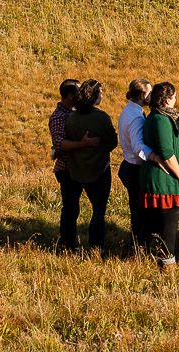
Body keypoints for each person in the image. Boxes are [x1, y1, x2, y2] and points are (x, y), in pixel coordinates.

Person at [63, 79, 118, 255]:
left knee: (72, 209)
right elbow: (112, 142)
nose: (102, 95)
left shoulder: (71, 118)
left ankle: (68, 246)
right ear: (94, 96)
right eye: (100, 93)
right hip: (99, 170)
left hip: (76, 170)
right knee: (98, 212)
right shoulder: (101, 118)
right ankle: (96, 248)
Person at [48, 79, 101, 253]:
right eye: (78, 92)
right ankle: (67, 247)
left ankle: (92, 246)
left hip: (84, 168)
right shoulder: (58, 116)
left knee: (95, 207)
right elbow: (60, 144)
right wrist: (83, 143)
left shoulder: (78, 112)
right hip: (67, 169)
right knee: (71, 210)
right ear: (70, 96)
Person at [141, 81, 179, 269]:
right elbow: (167, 153)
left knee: (157, 224)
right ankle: (167, 264)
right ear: (168, 99)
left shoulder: (166, 117)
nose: (176, 99)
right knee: (167, 225)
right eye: (174, 96)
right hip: (164, 180)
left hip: (166, 178)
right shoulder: (160, 119)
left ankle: (146, 257)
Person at [117, 78, 154, 249]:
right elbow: (138, 147)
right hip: (135, 168)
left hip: (128, 164)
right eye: (150, 93)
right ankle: (140, 246)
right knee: (142, 212)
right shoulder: (136, 117)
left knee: (136, 210)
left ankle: (136, 245)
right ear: (142, 95)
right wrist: (155, 158)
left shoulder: (129, 111)